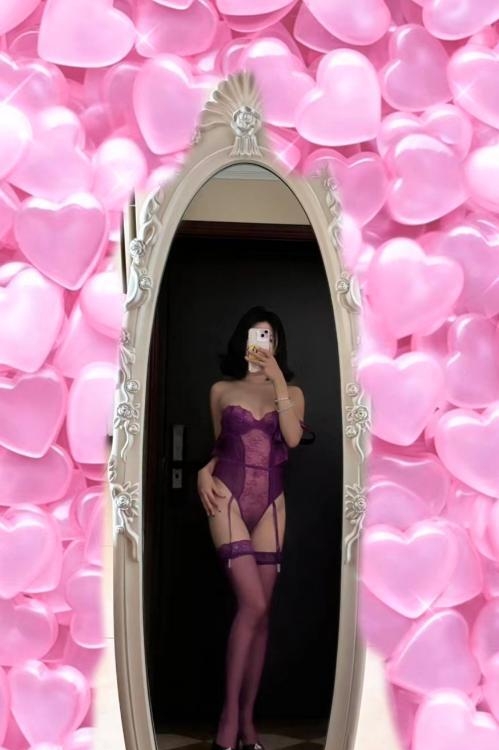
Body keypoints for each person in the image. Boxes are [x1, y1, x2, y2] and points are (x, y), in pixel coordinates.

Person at [197, 306, 309, 750]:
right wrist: (203, 472)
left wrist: (277, 378)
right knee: (253, 604)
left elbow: (293, 439)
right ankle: (229, 717)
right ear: (242, 340)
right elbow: (219, 446)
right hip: (226, 497)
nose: (262, 342)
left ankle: (247, 722)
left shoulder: (292, 392)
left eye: (269, 336)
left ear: (277, 345)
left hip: (271, 505)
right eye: (255, 334)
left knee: (262, 614)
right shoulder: (221, 389)